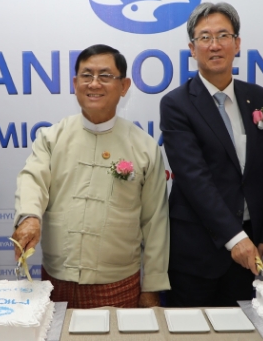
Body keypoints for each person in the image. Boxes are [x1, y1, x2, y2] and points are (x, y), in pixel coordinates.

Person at [11, 44, 169, 308]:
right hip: (57, 279)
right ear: (75, 84)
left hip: (119, 283)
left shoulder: (145, 147)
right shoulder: (52, 137)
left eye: (105, 76)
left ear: (124, 86)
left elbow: (155, 224)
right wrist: (29, 217)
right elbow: (32, 180)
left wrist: (151, 288)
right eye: (87, 75)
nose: (94, 84)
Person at [159, 2, 263, 307]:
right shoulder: (176, 104)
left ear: (237, 44)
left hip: (250, 250)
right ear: (192, 48)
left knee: (244, 331)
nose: (214, 45)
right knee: (190, 332)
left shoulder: (259, 98)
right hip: (197, 253)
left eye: (223, 35)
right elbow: (194, 179)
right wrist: (235, 238)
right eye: (205, 37)